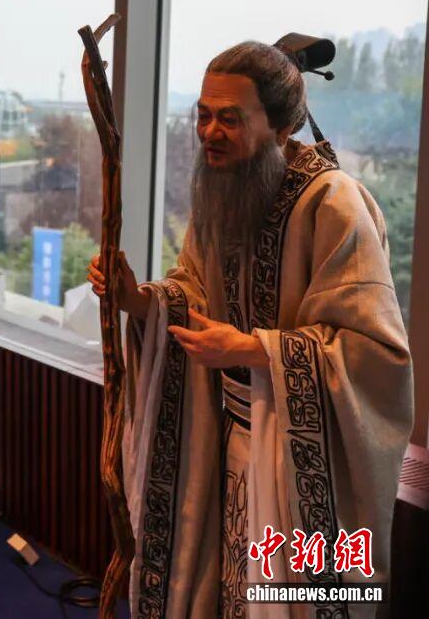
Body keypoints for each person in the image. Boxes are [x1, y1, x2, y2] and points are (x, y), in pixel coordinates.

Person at [87, 42, 412, 617]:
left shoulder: (333, 204)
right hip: (229, 437)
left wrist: (255, 349)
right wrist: (136, 300)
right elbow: (193, 290)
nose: (210, 133)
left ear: (282, 127)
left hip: (298, 454)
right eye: (203, 116)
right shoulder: (226, 189)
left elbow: (376, 352)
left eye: (230, 119)